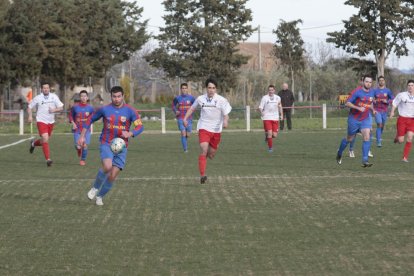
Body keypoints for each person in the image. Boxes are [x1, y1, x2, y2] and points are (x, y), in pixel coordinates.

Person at [78, 86, 144, 206]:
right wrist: (82, 136)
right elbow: (89, 120)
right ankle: (95, 188)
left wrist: (131, 133)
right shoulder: (105, 109)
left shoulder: (130, 110)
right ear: (111, 96)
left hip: (121, 147)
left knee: (112, 176)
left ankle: (100, 196)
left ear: (123, 96)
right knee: (107, 167)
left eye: (119, 96)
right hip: (106, 142)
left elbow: (140, 126)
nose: (117, 99)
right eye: (114, 96)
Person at [183, 78, 232, 184]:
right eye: (209, 88)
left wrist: (225, 121)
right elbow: (192, 108)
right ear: (206, 88)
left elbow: (226, 114)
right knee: (204, 150)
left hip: (216, 130)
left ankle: (208, 157)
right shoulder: (200, 99)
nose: (211, 90)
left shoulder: (221, 100)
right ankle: (202, 175)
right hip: (203, 128)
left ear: (216, 89)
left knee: (211, 154)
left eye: (213, 88)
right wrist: (185, 118)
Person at [336, 75, 376, 167]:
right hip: (354, 119)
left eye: (370, 82)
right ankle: (339, 152)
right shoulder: (357, 92)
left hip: (365, 119)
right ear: (363, 81)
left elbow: (369, 104)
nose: (368, 84)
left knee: (367, 136)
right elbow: (347, 103)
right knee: (349, 139)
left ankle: (365, 160)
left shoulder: (372, 92)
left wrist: (372, 109)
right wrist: (358, 107)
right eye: (366, 81)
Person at [28, 82, 64, 167]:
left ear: (49, 89)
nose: (46, 89)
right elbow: (29, 107)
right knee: (45, 137)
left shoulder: (54, 96)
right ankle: (48, 159)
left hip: (51, 122)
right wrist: (30, 116)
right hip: (41, 120)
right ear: (41, 89)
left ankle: (33, 144)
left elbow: (61, 107)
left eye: (47, 88)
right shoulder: (38, 97)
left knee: (45, 140)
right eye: (44, 88)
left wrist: (54, 110)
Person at [389, 80, 414, 162]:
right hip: (402, 119)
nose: (410, 87)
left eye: (412, 85)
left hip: (412, 120)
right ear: (407, 86)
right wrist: (392, 112)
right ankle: (398, 136)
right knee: (400, 141)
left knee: (410, 138)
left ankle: (404, 157)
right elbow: (394, 103)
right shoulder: (402, 95)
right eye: (409, 85)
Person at [69, 90, 95, 166]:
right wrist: (73, 123)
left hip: (86, 130)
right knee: (78, 146)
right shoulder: (75, 107)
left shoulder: (90, 108)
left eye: (85, 96)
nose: (83, 98)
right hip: (77, 130)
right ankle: (78, 149)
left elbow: (93, 118)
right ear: (80, 97)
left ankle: (82, 160)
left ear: (87, 98)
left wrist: (90, 122)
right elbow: (70, 116)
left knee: (85, 145)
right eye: (82, 96)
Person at [258, 84, 283, 152]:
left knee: (274, 135)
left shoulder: (278, 98)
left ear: (274, 90)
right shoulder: (264, 98)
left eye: (272, 90)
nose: (271, 91)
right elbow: (260, 107)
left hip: (275, 118)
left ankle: (267, 137)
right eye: (269, 90)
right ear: (268, 91)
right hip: (267, 117)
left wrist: (282, 115)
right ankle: (270, 148)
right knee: (269, 133)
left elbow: (280, 106)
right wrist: (262, 112)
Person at [172, 83, 195, 152]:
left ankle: (185, 140)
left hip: (189, 118)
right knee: (183, 133)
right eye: (183, 88)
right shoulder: (177, 98)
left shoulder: (191, 98)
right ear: (181, 89)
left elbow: (195, 105)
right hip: (180, 118)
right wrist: (176, 111)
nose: (184, 89)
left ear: (187, 89)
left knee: (188, 134)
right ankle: (185, 149)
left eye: (185, 88)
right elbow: (173, 105)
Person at [373, 76, 394, 147]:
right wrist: (374, 101)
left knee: (382, 125)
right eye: (380, 80)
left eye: (382, 80)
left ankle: (378, 136)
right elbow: (370, 99)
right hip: (377, 110)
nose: (381, 82)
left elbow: (392, 99)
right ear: (378, 82)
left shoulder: (388, 90)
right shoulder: (375, 90)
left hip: (384, 111)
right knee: (379, 124)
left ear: (384, 82)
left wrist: (387, 101)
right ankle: (378, 142)